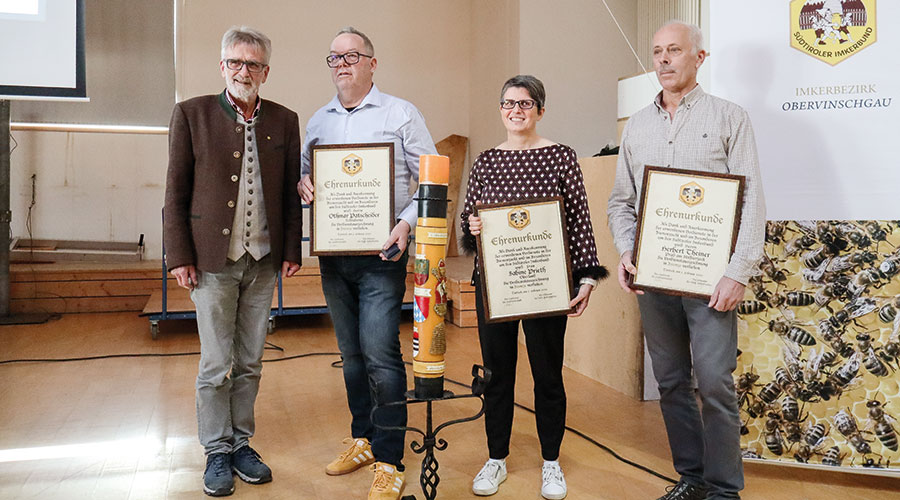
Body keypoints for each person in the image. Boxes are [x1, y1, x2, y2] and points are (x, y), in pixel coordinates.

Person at [607, 21, 765, 500]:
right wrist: (628, 249)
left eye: (674, 50)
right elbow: (621, 201)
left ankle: (724, 490)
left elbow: (751, 201)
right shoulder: (637, 125)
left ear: (699, 57)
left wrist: (738, 272)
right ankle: (692, 478)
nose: (663, 59)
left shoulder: (730, 118)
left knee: (714, 382)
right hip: (654, 278)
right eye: (657, 51)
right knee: (672, 381)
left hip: (711, 281)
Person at [297, 26, 437, 500]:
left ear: (372, 64)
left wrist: (406, 224)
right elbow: (306, 178)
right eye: (334, 57)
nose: (342, 64)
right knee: (351, 356)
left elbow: (430, 179)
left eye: (352, 56)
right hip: (335, 257)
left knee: (380, 354)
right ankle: (364, 438)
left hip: (382, 255)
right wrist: (303, 185)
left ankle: (390, 459)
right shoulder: (318, 122)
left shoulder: (401, 113)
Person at [164, 26, 302, 497]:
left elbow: (289, 192)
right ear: (222, 66)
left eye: (254, 64)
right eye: (236, 63)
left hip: (263, 260)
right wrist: (180, 256)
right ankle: (216, 450)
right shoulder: (191, 114)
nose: (245, 71)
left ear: (266, 71)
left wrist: (291, 250)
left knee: (250, 361)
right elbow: (175, 192)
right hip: (211, 261)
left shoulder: (285, 120)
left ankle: (242, 443)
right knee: (215, 362)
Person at [460, 75, 606, 500]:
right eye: (509, 103)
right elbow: (468, 218)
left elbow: (579, 218)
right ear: (500, 109)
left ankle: (551, 462)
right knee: (497, 373)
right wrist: (472, 226)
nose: (516, 111)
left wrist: (586, 278)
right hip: (496, 285)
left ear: (540, 110)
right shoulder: (486, 161)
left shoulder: (560, 157)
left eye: (525, 103)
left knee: (548, 374)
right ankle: (496, 458)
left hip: (546, 283)